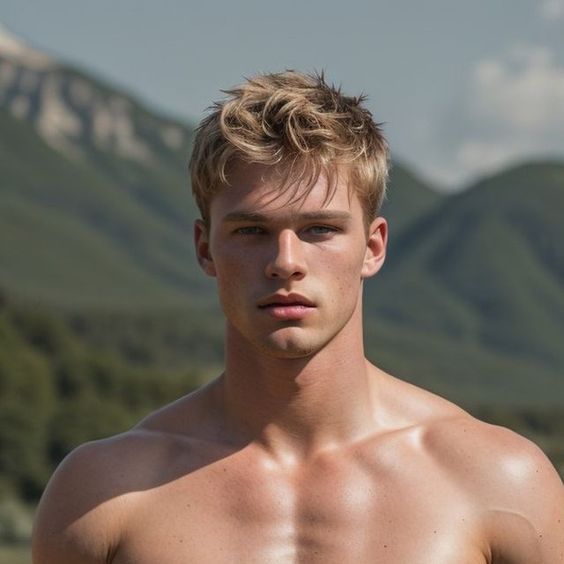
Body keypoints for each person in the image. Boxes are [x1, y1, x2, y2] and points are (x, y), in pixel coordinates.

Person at [33, 70, 564, 563]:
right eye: (250, 231)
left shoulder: (500, 480)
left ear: (373, 247)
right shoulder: (101, 492)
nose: (286, 262)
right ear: (204, 249)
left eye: (319, 230)